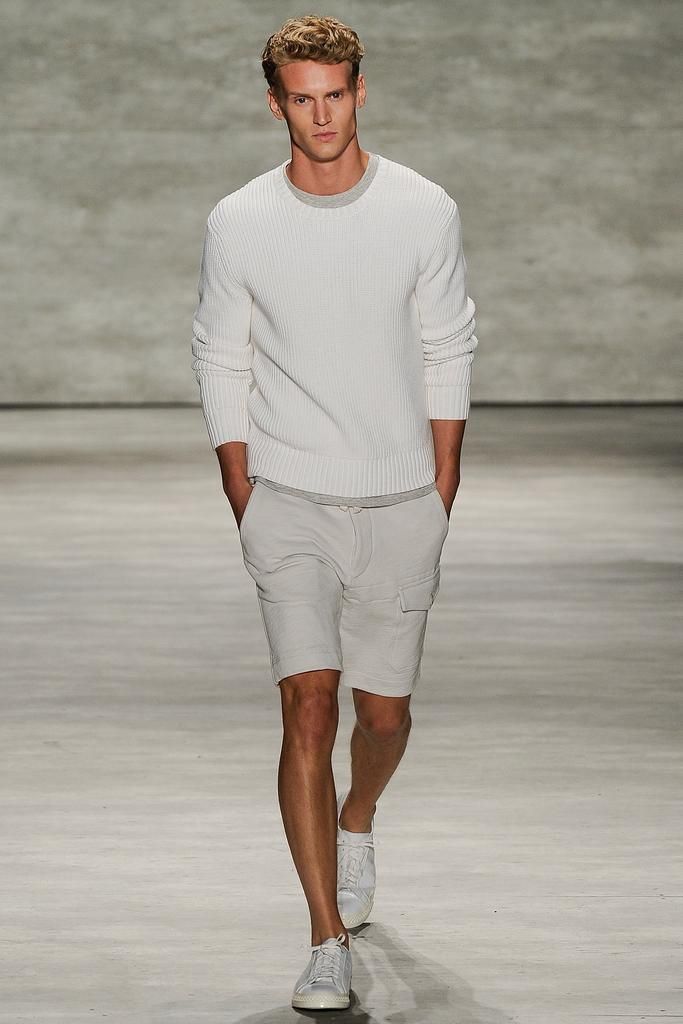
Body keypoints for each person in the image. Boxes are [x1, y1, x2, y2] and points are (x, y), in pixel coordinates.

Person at [191, 13, 478, 1012]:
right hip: (289, 499)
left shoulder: (421, 209)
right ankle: (324, 937)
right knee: (305, 703)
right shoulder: (239, 221)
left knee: (382, 716)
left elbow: (447, 345)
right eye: (301, 99)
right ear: (274, 103)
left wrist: (439, 491)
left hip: (400, 499)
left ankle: (357, 817)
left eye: (335, 96)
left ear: (359, 92)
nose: (321, 116)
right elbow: (220, 354)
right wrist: (243, 489)